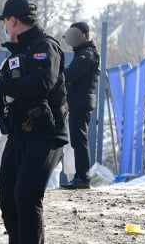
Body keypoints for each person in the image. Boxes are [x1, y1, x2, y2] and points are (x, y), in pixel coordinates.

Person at [0, 0, 68, 244]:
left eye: (4, 21)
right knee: (8, 199)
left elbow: (40, 84)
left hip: (46, 135)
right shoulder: (17, 54)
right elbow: (13, 96)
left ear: (13, 21)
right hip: (18, 135)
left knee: (26, 196)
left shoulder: (45, 47)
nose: (4, 27)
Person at [60, 22, 100, 189]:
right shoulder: (82, 53)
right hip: (76, 101)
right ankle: (80, 176)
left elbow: (70, 74)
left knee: (79, 140)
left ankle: (82, 178)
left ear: (83, 35)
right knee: (77, 141)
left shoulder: (87, 54)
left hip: (80, 102)